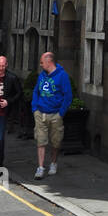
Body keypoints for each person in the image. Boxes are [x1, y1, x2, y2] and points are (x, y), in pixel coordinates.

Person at [31, 51, 72, 179]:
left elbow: (68, 96)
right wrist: (35, 108)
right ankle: (40, 167)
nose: (41, 65)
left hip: (55, 114)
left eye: (42, 62)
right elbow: (36, 91)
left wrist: (60, 113)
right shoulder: (42, 75)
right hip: (40, 113)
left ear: (49, 62)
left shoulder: (62, 76)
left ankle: (53, 163)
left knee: (56, 142)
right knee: (40, 141)